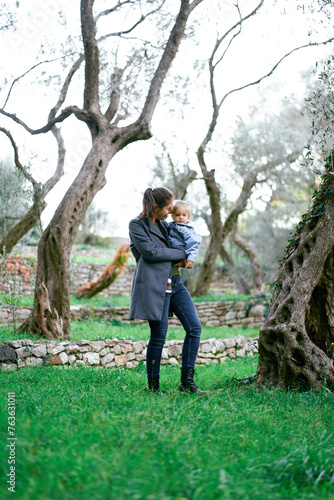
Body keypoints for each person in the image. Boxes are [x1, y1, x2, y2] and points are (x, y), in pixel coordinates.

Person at [129, 187, 205, 394]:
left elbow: (179, 243)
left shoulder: (167, 225)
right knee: (159, 336)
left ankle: (187, 383)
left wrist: (184, 254)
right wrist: (184, 254)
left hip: (176, 282)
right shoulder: (137, 225)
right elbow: (151, 253)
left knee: (194, 328)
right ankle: (153, 388)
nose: (171, 211)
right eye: (168, 208)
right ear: (156, 207)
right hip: (154, 287)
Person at [168, 200, 202, 269]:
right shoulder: (171, 225)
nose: (181, 217)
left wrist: (191, 259)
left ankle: (169, 278)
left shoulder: (187, 230)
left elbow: (193, 245)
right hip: (172, 249)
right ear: (172, 216)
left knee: (168, 264)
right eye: (177, 215)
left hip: (180, 251)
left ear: (188, 217)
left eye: (184, 215)